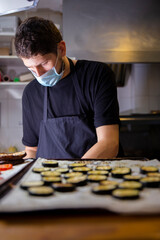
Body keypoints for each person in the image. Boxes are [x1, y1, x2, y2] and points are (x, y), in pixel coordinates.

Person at [15, 16, 122, 159]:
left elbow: (109, 143)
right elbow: (32, 150)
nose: (39, 74)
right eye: (31, 68)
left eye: (44, 63)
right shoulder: (31, 93)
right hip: (48, 179)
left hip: (94, 177)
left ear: (61, 49)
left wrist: (72, 176)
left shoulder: (97, 75)